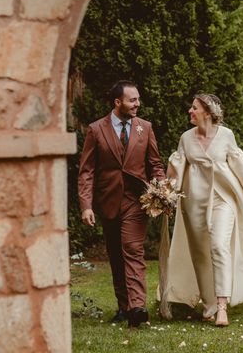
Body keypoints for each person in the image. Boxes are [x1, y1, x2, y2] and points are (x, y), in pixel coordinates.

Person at [164, 93, 243, 326]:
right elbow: (176, 169)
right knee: (200, 253)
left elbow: (239, 168)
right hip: (193, 204)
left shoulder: (226, 136)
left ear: (208, 112)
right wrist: (165, 195)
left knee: (218, 245)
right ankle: (209, 305)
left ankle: (222, 306)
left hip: (224, 200)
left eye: (194, 108)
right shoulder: (186, 138)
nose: (189, 111)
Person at [78, 80, 165, 328]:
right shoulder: (96, 130)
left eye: (138, 99)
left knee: (133, 249)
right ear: (118, 103)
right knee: (116, 255)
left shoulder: (145, 128)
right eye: (132, 100)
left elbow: (155, 164)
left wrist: (161, 189)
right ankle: (124, 306)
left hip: (137, 201)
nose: (138, 104)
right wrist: (86, 205)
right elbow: (87, 171)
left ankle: (138, 307)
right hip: (108, 201)